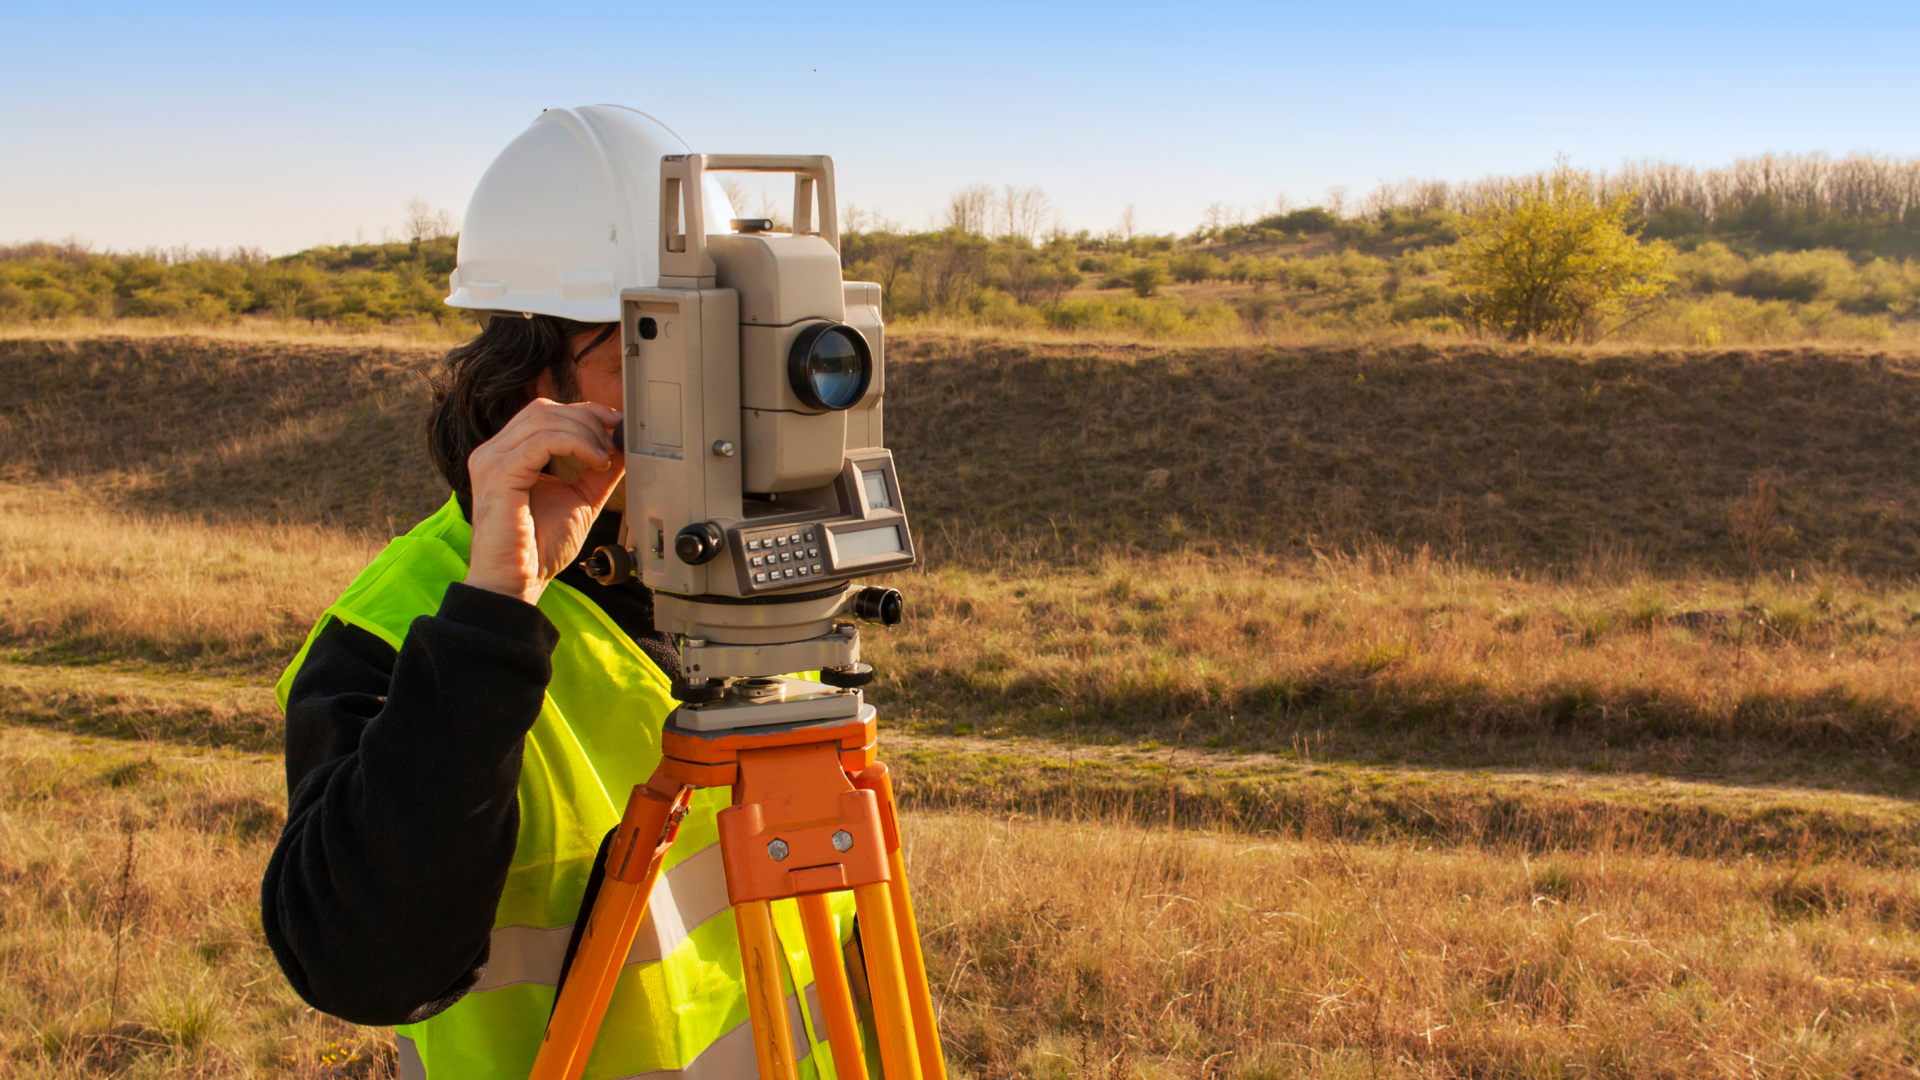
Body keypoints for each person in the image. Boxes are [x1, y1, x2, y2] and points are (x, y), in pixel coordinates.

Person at [260, 106, 856, 1080]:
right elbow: (358, 965)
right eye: (660, 343)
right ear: (530, 375)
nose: (716, 392)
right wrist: (496, 614)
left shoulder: (742, 579)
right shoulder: (400, 623)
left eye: (732, 341)